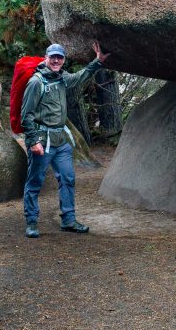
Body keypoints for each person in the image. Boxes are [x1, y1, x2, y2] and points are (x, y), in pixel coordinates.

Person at [20, 42, 110, 238]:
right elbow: (26, 115)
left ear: (63, 60)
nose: (56, 60)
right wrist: (33, 141)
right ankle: (32, 222)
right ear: (46, 58)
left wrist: (98, 61)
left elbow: (78, 78)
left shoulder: (62, 78)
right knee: (35, 181)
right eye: (52, 57)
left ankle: (68, 220)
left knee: (68, 178)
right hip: (42, 141)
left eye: (59, 57)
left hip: (61, 141)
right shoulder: (37, 82)